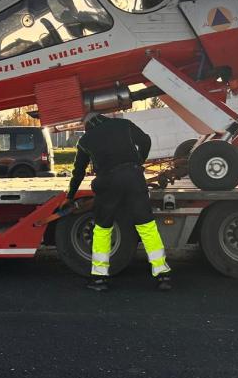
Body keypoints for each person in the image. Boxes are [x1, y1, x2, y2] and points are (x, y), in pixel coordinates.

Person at [64, 112, 171, 292]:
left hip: (108, 183)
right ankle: (162, 274)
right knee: (147, 227)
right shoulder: (123, 124)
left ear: (87, 126)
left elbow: (78, 171)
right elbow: (145, 140)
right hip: (133, 178)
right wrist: (138, 162)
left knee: (103, 229)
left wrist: (70, 196)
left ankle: (99, 279)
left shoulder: (85, 140)